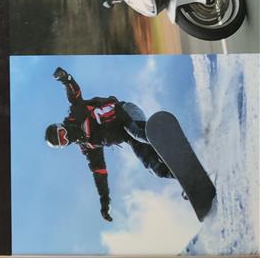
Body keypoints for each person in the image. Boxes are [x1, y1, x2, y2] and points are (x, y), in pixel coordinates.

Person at [45, 67, 175, 222]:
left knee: (139, 135)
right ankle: (185, 178)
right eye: (63, 141)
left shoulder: (76, 114)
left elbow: (75, 95)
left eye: (62, 133)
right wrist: (105, 202)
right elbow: (99, 173)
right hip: (127, 136)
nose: (67, 137)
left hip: (125, 113)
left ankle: (163, 136)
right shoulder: (88, 146)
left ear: (61, 126)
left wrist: (65, 78)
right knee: (155, 168)